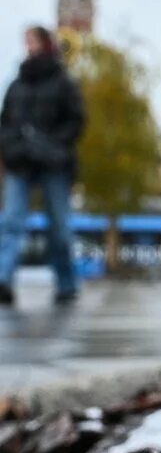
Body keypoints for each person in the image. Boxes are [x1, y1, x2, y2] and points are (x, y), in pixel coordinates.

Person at [0, 26, 86, 306]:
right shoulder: (17, 84)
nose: (29, 46)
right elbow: (6, 124)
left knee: (60, 226)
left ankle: (66, 283)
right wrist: (14, 148)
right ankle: (3, 280)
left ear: (45, 44)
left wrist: (52, 145)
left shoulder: (62, 82)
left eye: (33, 41)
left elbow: (76, 121)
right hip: (21, 162)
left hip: (54, 163)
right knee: (11, 221)